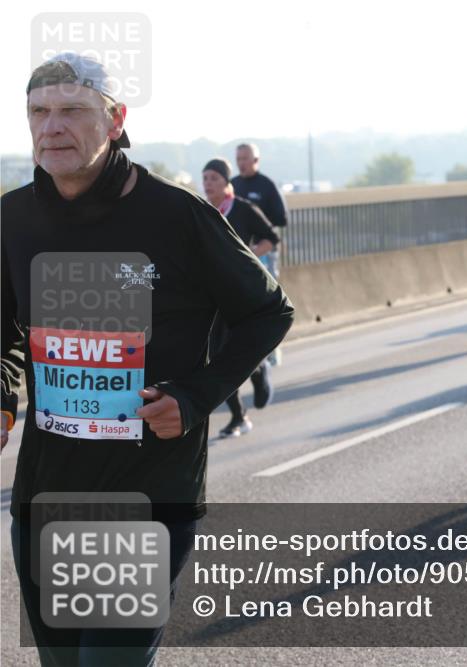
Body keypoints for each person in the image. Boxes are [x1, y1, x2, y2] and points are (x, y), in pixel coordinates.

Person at [1, 53, 294, 666]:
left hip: (145, 495)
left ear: (114, 121)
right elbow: (5, 332)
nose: (52, 127)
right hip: (44, 494)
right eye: (38, 112)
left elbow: (269, 312)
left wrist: (193, 397)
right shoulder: (13, 219)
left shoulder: (177, 215)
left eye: (73, 111)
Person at [202, 158, 281, 438]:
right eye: (205, 178)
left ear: (226, 182)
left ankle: (258, 373)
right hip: (210, 295)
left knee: (237, 349)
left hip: (241, 293)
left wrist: (248, 259)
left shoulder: (243, 209)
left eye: (214, 178)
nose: (208, 183)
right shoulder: (200, 211)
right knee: (216, 356)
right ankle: (239, 416)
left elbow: (271, 238)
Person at [232, 142, 287, 365]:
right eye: (239, 159)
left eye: (246, 159)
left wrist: (257, 220)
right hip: (240, 254)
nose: (242, 163)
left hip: (264, 251)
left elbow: (282, 219)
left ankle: (273, 346)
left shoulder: (266, 186)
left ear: (256, 160)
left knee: (268, 302)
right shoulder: (232, 185)